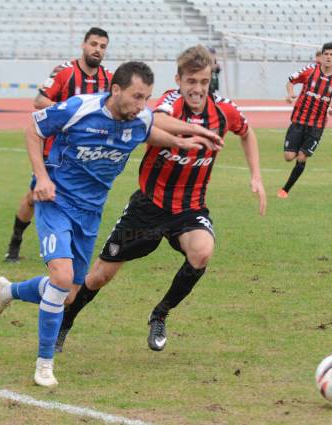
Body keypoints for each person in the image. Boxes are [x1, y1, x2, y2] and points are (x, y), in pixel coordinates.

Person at [0, 61, 222, 387]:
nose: (141, 105)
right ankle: (44, 364)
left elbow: (148, 127)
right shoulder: (79, 108)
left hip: (90, 213)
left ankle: (9, 290)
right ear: (115, 90)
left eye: (147, 98)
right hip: (54, 201)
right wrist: (41, 178)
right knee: (62, 276)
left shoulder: (136, 117)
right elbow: (34, 127)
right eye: (137, 96)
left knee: (68, 293)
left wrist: (184, 140)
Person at [55, 45, 267, 353]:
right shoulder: (170, 102)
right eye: (191, 81)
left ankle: (160, 313)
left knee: (203, 252)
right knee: (100, 275)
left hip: (189, 209)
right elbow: (154, 120)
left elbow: (247, 133)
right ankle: (66, 322)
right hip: (148, 207)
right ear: (179, 80)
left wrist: (256, 176)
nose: (197, 89)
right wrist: (195, 130)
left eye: (204, 82)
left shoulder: (224, 110)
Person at [4, 27, 112, 262]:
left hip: (86, 155)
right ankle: (15, 244)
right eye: (93, 44)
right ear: (84, 45)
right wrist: (67, 114)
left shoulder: (109, 79)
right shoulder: (65, 72)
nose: (97, 50)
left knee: (79, 199)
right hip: (52, 151)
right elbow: (39, 100)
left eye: (102, 46)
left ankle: (66, 249)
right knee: (35, 197)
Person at [277, 42, 332, 199]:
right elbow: (291, 81)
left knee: (302, 157)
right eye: (326, 54)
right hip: (298, 121)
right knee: (289, 157)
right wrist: (290, 94)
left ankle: (285, 190)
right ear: (321, 56)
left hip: (317, 126)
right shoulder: (309, 71)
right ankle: (297, 150)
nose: (328, 57)